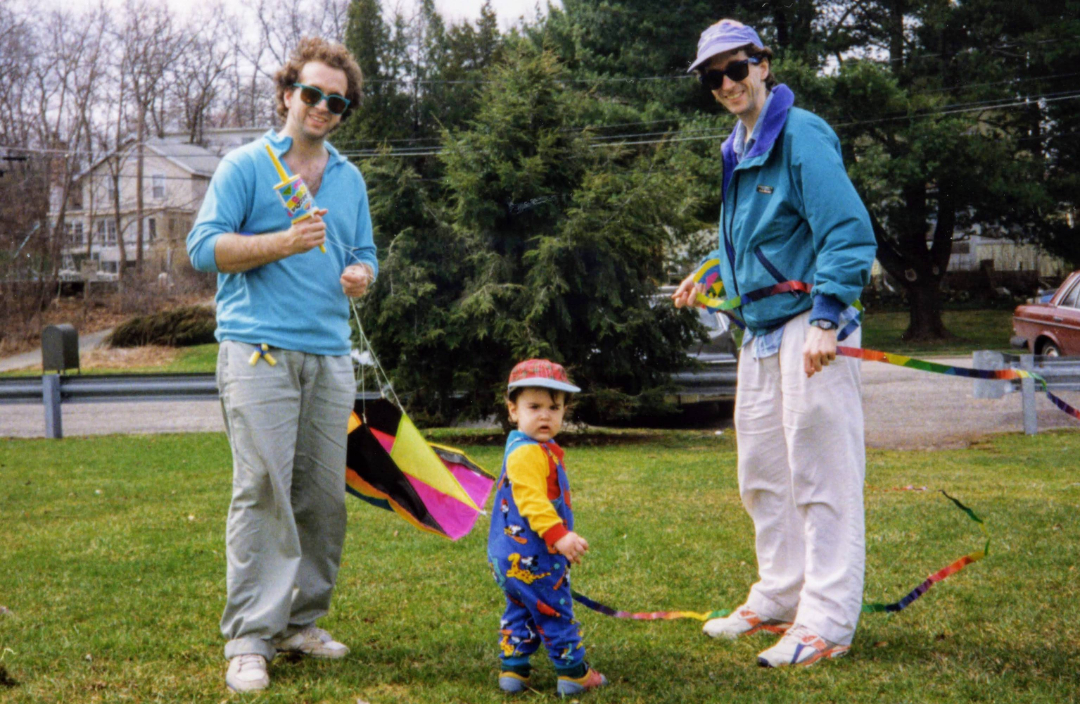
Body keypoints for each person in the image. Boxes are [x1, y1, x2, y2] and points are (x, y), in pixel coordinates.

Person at [672, 19, 877, 668]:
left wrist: (827, 317)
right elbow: (755, 232)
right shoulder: (737, 145)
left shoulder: (800, 133)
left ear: (764, 64)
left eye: (738, 68)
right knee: (761, 472)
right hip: (758, 332)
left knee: (822, 472)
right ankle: (779, 596)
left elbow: (845, 229)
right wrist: (711, 272)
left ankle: (827, 622)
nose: (728, 83)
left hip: (808, 323)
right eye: (714, 76)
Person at [186, 37, 378, 692]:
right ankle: (250, 636)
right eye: (313, 94)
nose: (323, 107)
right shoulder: (246, 166)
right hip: (257, 347)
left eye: (338, 101)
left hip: (329, 353)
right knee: (265, 489)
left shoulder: (349, 178)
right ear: (287, 93)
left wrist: (361, 274)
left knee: (322, 497)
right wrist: (282, 242)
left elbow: (367, 255)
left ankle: (301, 621)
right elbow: (204, 249)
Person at [487, 359, 608, 697]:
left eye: (554, 407)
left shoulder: (530, 448)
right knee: (555, 610)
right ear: (513, 411)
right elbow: (531, 502)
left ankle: (514, 670)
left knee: (521, 610)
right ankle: (573, 673)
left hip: (508, 557)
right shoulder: (527, 454)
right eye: (534, 406)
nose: (545, 415)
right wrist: (560, 536)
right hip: (535, 556)